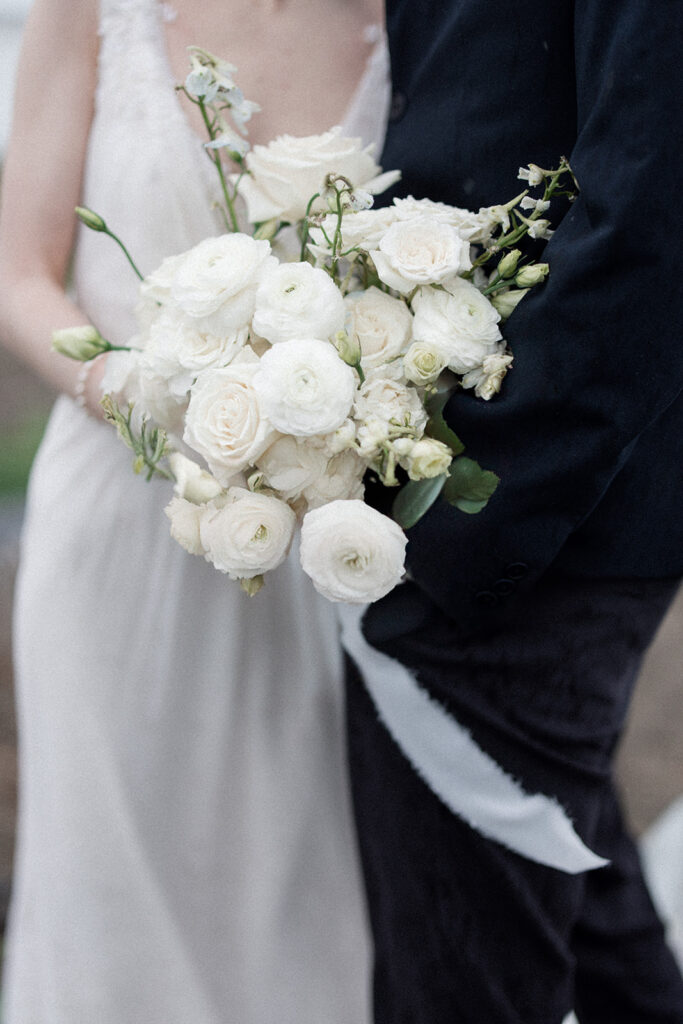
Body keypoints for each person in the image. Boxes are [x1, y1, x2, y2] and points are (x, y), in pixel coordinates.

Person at [0, 0, 387, 1020]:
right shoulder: (91, 9)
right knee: (108, 918)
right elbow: (18, 273)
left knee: (294, 911)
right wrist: (144, 396)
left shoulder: (421, 25)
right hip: (115, 544)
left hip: (311, 562)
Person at [341, 1, 683, 1022]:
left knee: (457, 978)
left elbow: (648, 212)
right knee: (582, 937)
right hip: (470, 494)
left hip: (532, 517)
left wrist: (450, 528)